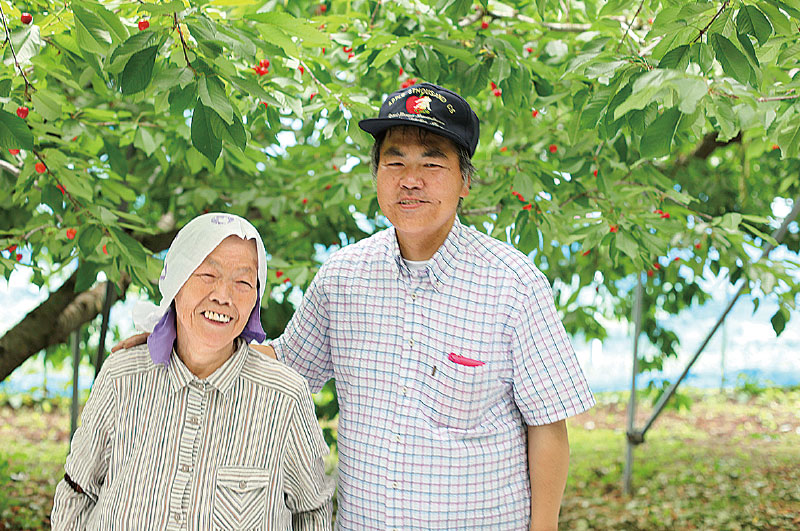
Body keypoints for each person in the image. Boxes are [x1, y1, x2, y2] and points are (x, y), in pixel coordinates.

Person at [117, 83, 595, 530]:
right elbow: (283, 366)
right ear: (376, 175)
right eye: (395, 163)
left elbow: (548, 425)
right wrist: (179, 335)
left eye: (432, 164)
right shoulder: (343, 278)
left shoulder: (512, 284)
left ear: (464, 180)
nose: (411, 181)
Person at [53, 213, 333, 530]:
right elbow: (78, 491)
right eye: (207, 275)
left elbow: (311, 513)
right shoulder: (122, 376)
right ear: (176, 281)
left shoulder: (284, 396)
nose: (223, 296)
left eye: (243, 282)